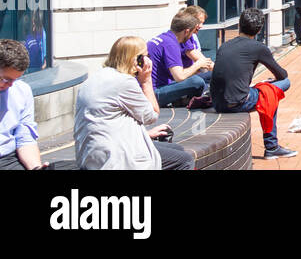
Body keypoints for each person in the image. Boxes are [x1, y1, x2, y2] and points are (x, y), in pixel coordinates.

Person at [74, 36, 195, 170]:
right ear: (136, 60)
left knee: (175, 148)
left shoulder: (95, 79)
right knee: (185, 160)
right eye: (145, 56)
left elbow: (107, 120)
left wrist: (144, 134)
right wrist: (146, 81)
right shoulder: (124, 82)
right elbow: (152, 115)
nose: (149, 60)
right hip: (114, 157)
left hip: (92, 153)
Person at [211, 9, 296, 158]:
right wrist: (268, 83)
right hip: (237, 102)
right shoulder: (258, 47)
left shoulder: (224, 45)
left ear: (239, 25)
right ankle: (272, 146)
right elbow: (282, 75)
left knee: (266, 91)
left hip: (217, 102)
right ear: (259, 30)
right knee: (273, 92)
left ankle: (272, 146)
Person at [0, 39, 61, 170]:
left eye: (15, 80)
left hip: (8, 158)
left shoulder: (22, 90)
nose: (10, 85)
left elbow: (25, 138)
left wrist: (36, 168)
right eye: (5, 79)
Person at [147, 10, 213, 109]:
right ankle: (185, 100)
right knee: (197, 82)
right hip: (154, 94)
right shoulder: (171, 44)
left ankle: (181, 100)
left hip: (151, 89)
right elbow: (179, 77)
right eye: (192, 32)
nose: (191, 36)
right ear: (186, 31)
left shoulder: (164, 38)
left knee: (203, 77)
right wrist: (198, 64)